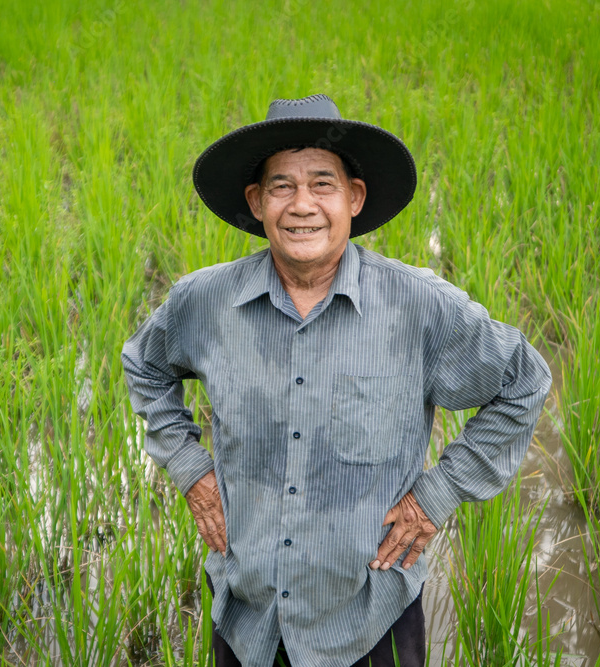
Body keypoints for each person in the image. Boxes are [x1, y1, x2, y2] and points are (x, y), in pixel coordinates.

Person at [121, 94, 551, 667]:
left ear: (354, 197)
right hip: (248, 620)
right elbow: (144, 365)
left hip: (369, 625)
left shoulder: (417, 306)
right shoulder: (205, 302)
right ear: (256, 202)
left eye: (322, 184)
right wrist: (191, 468)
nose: (303, 205)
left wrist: (436, 495)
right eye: (281, 186)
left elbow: (523, 380)